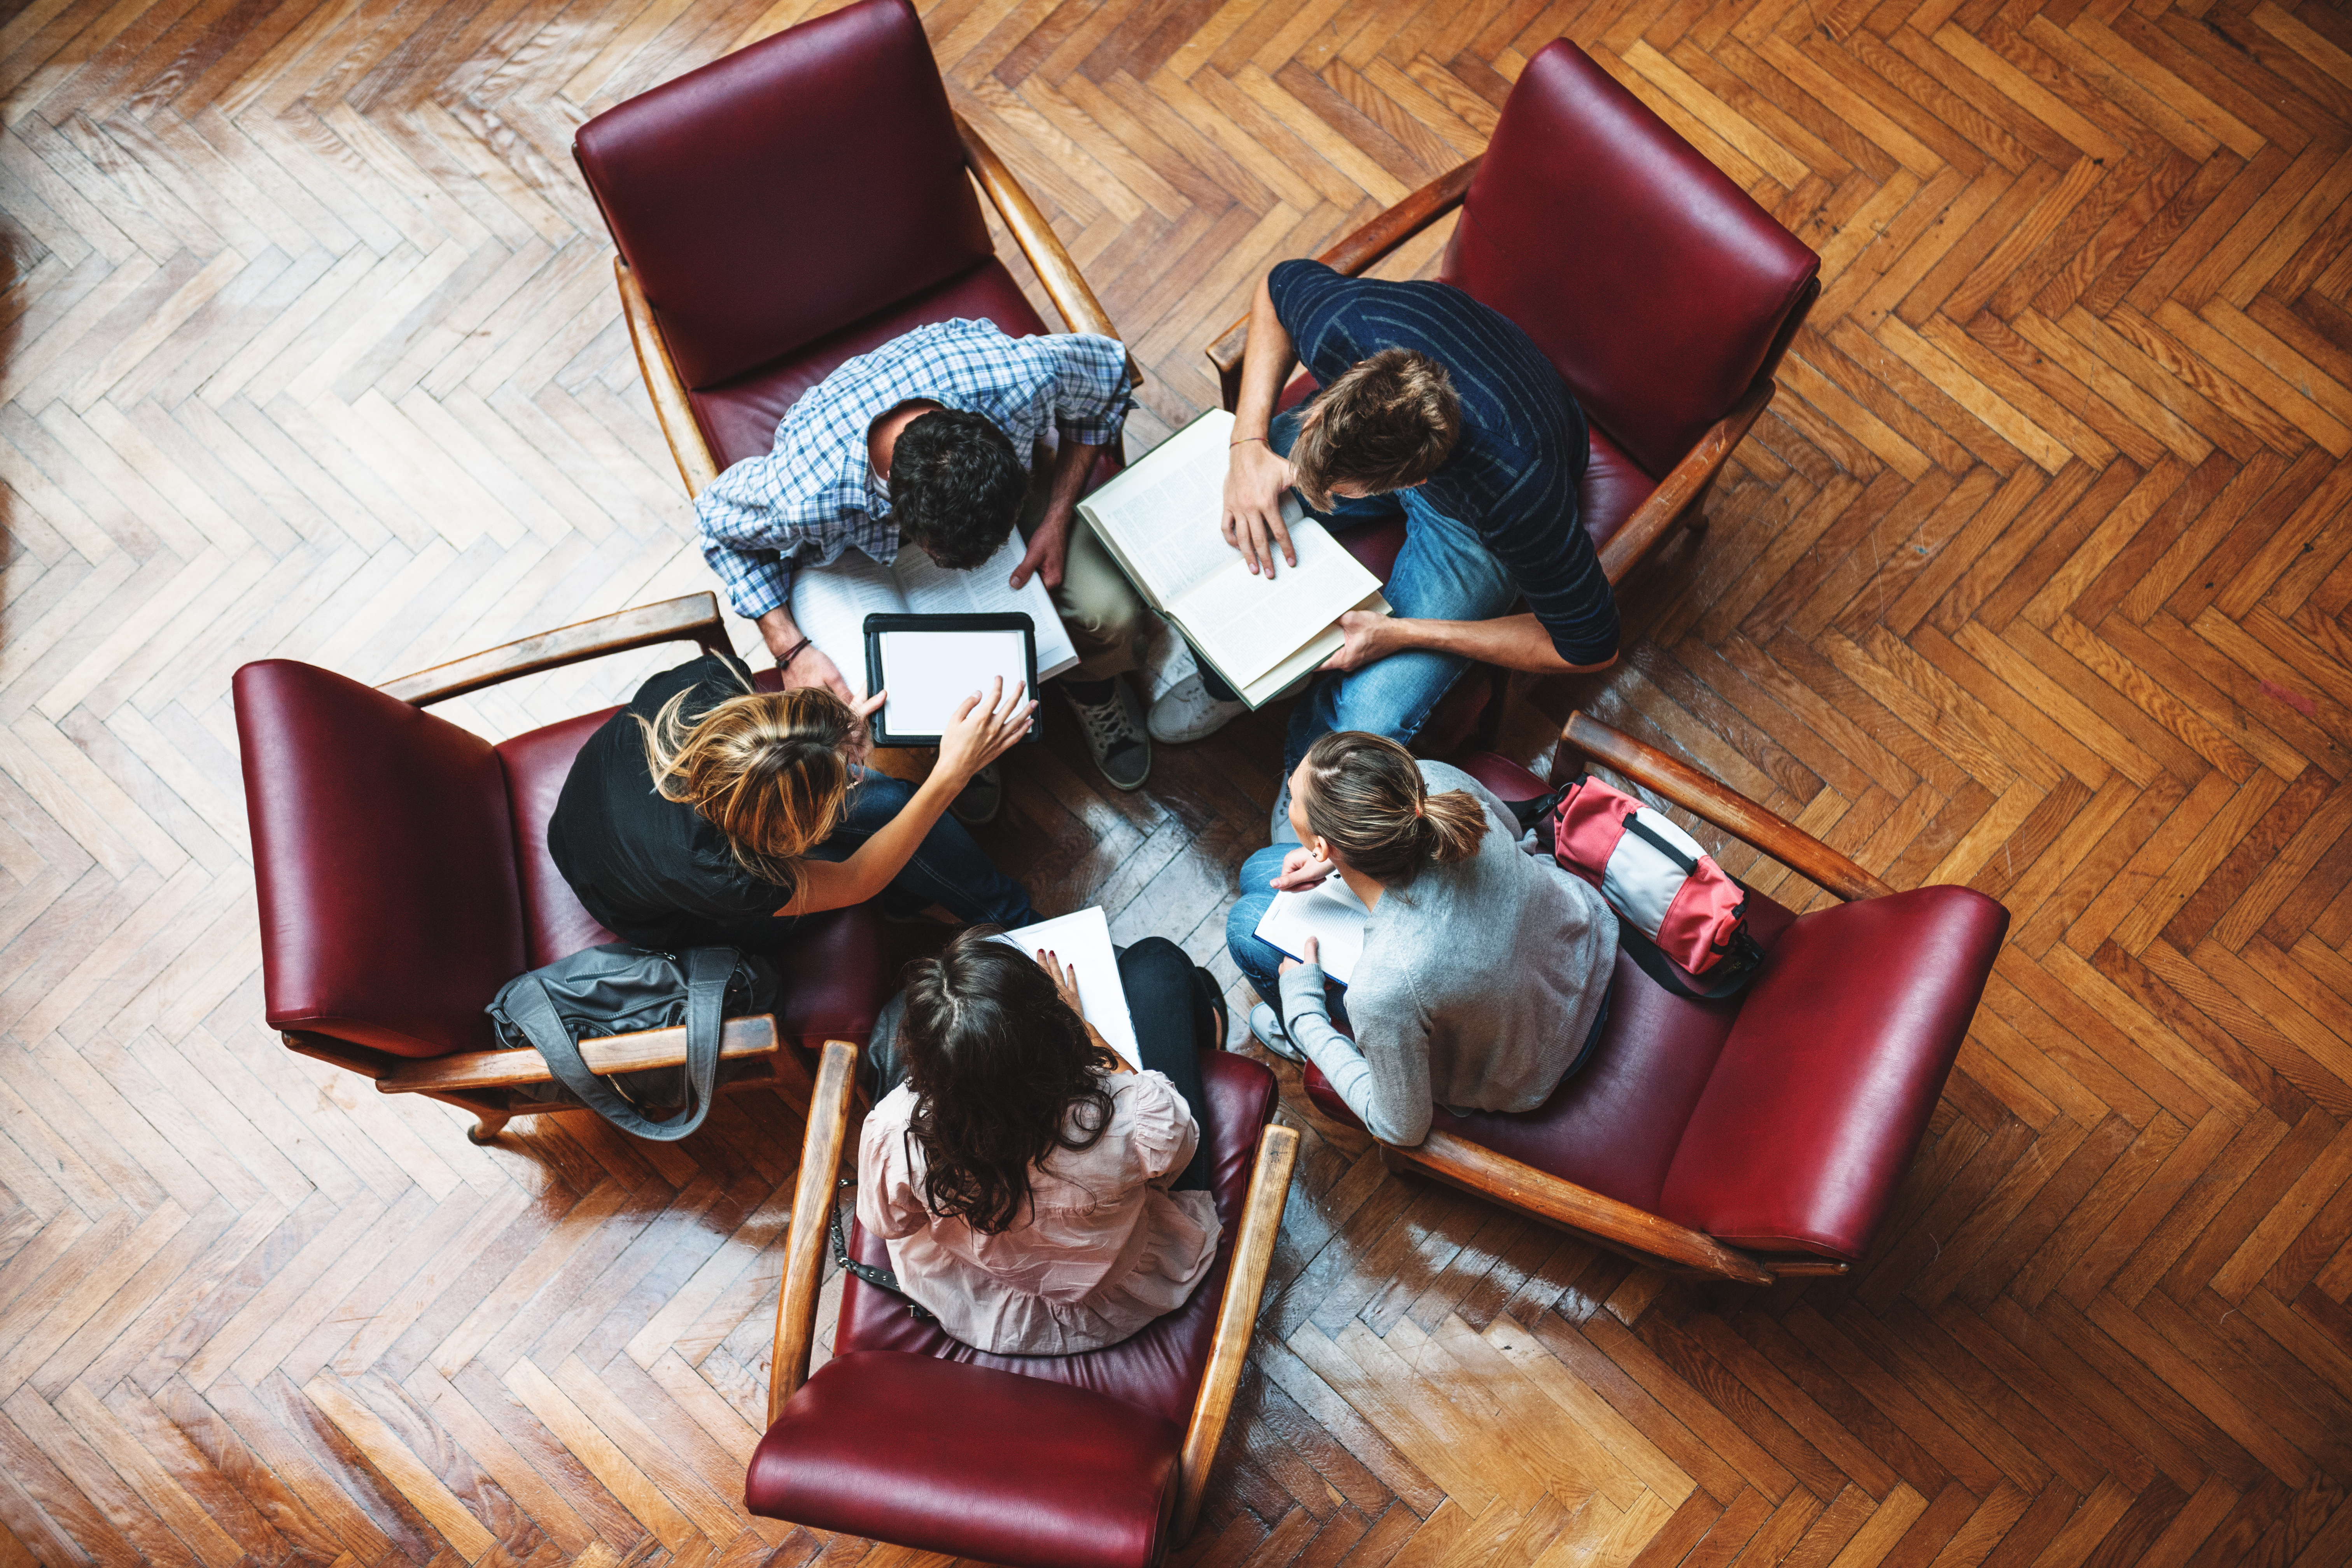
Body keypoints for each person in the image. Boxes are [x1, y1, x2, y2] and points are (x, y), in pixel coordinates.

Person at [1150, 262, 1621, 797]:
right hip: (1434, 414)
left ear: (1408, 483)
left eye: (1335, 489)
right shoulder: (1348, 325)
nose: (1300, 484)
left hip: (1473, 522)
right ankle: (1227, 683)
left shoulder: (1519, 492)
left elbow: (1591, 646)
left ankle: (1306, 782)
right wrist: (1248, 446)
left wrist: (1402, 633)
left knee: (1371, 714)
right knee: (1215, 528)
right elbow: (1273, 286)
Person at [693, 317, 1166, 815]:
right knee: (876, 704)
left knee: (1110, 614)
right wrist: (789, 648)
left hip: (1000, 495)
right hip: (849, 557)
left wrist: (1055, 516)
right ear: (900, 512)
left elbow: (1108, 377)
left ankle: (1092, 685)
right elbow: (715, 523)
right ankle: (957, 748)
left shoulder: (1019, 378)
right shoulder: (804, 494)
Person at [1225, 731, 1615, 1147]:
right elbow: (1514, 832)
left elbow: (1402, 1128)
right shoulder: (1431, 783)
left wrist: (1304, 1015)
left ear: (1321, 845)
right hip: (1584, 937)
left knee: (1245, 930)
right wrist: (1341, 863)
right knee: (1259, 872)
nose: (1291, 799)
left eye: (1293, 798)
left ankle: (1307, 1042)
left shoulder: (1384, 986)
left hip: (1536, 1064)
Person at [855, 929, 1230, 1355]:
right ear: (1055, 1036)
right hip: (1123, 1290)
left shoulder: (892, 1130)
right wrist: (1089, 1032)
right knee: (1156, 961)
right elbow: (1180, 1153)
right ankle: (1211, 1026)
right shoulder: (1129, 1115)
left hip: (986, 1299)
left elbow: (890, 1224)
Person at [548, 648, 1038, 952]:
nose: (857, 767)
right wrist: (949, 777)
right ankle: (1017, 923)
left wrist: (825, 735)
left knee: (887, 804)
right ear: (783, 833)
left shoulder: (707, 684)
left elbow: (774, 742)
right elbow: (858, 879)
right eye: (846, 777)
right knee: (887, 806)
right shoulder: (725, 875)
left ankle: (970, 907)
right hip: (653, 910)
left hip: (587, 819)